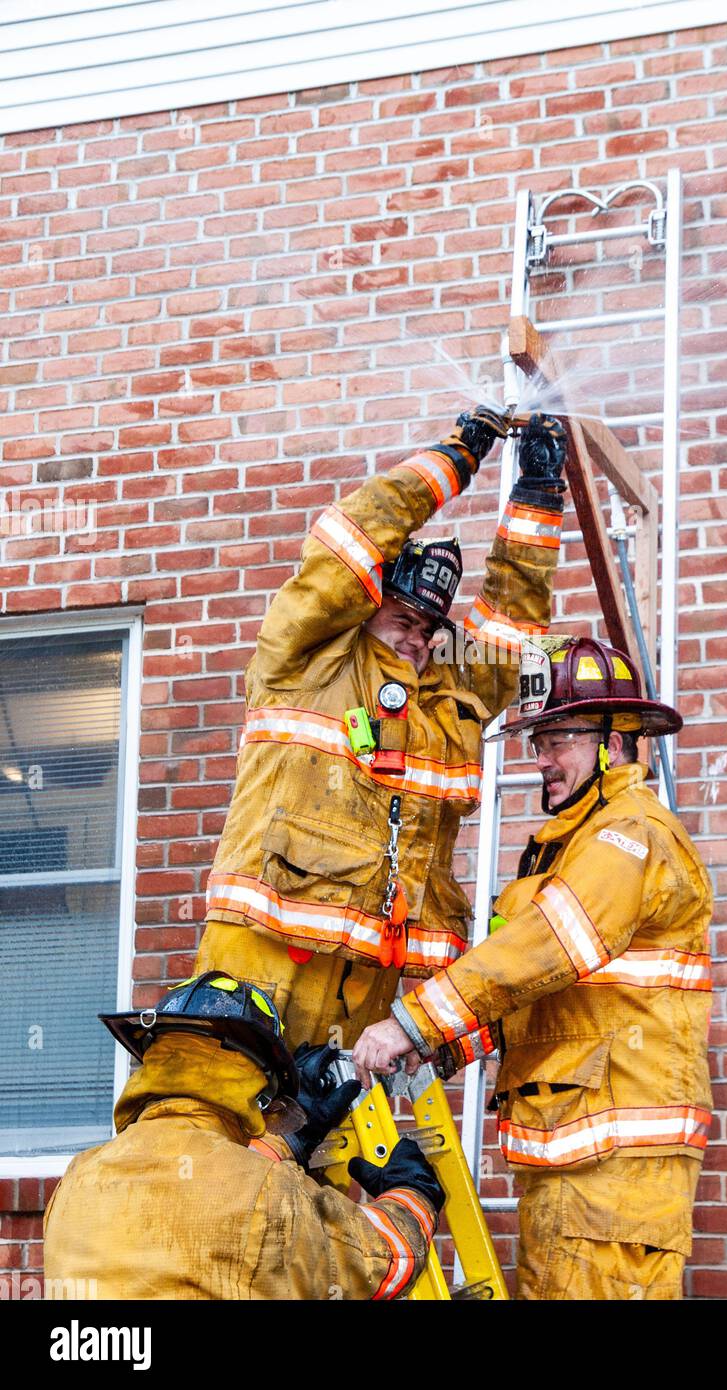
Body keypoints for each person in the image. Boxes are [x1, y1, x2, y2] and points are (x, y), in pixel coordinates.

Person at [194, 407, 567, 1055]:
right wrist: (458, 456)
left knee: (320, 1148)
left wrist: (535, 495)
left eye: (430, 628)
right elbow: (347, 543)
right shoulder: (307, 657)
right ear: (365, 606)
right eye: (403, 617)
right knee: (213, 1112)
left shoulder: (448, 698)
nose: (418, 637)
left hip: (365, 984)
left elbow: (512, 624)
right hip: (261, 954)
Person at [353, 636, 714, 1300]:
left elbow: (547, 947)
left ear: (618, 739)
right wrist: (448, 1047)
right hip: (572, 1167)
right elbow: (543, 996)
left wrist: (413, 1022)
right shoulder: (570, 847)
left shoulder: (630, 835)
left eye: (560, 740)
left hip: (614, 1176)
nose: (542, 760)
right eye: (537, 742)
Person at [43, 970, 444, 1300]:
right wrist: (413, 1191)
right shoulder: (269, 1193)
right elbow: (383, 1261)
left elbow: (203, 1192)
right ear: (262, 1088)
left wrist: (284, 1144)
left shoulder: (77, 1177)